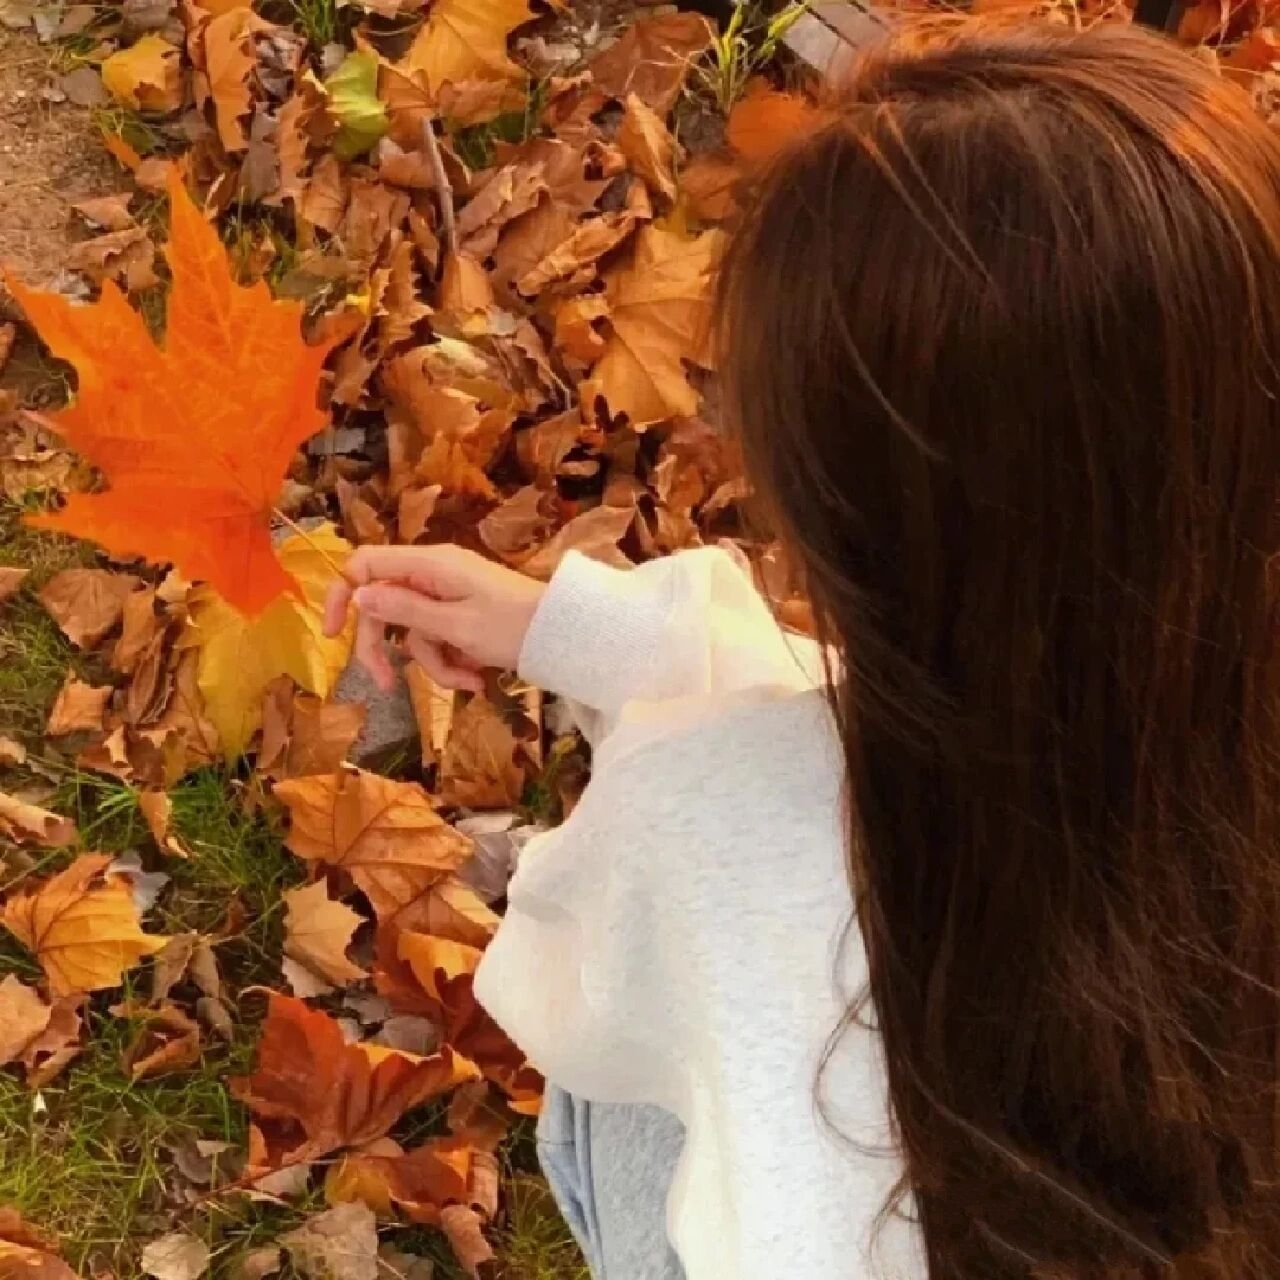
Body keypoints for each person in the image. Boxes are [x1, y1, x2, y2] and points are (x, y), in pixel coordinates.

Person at [324, 18, 1280, 1280]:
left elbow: (577, 990)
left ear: (845, 523)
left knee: (614, 1121)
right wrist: (583, 630)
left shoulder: (707, 811)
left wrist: (664, 712)